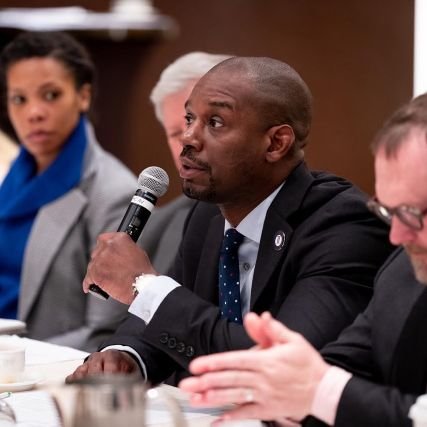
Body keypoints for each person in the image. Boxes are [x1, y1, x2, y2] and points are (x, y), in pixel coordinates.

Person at [66, 56, 393, 386]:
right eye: (190, 118)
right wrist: (127, 357)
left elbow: (275, 365)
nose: (188, 138)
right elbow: (169, 326)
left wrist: (144, 286)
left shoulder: (343, 226)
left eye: (216, 123)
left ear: (276, 143)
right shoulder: (209, 213)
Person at [179, 93, 427, 427]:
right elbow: (352, 361)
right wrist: (284, 383)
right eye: (388, 210)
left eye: (411, 214)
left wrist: (319, 391)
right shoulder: (403, 270)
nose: (396, 236)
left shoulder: (341, 222)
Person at [0, 31, 136, 352]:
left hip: (42, 374)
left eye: (50, 95)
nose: (34, 112)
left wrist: (15, 362)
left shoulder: (114, 193)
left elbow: (104, 332)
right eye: (19, 98)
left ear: (83, 96)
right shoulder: (10, 176)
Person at [140, 52, 231, 274]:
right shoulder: (158, 225)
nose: (187, 142)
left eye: (210, 123)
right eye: (175, 133)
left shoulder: (311, 218)